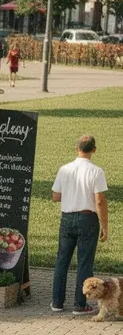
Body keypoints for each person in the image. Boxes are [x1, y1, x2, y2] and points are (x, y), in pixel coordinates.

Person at [50, 135, 109, 316]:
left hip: (67, 218)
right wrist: (105, 226)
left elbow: (55, 196)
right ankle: (80, 304)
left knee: (62, 260)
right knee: (84, 263)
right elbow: (99, 200)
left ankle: (57, 302)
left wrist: (71, 193)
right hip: (87, 219)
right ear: (94, 149)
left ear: (77, 148)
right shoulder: (96, 171)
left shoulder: (64, 169)